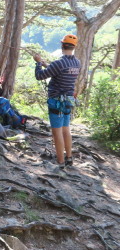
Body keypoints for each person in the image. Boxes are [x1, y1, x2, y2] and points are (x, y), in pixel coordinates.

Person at [33, 34, 81, 168]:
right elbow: (60, 71)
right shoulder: (77, 63)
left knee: (57, 131)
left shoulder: (58, 63)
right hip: (68, 100)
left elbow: (40, 76)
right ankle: (69, 158)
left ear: (62, 45)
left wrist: (38, 63)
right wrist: (46, 65)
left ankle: (60, 162)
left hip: (56, 101)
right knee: (66, 129)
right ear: (74, 46)